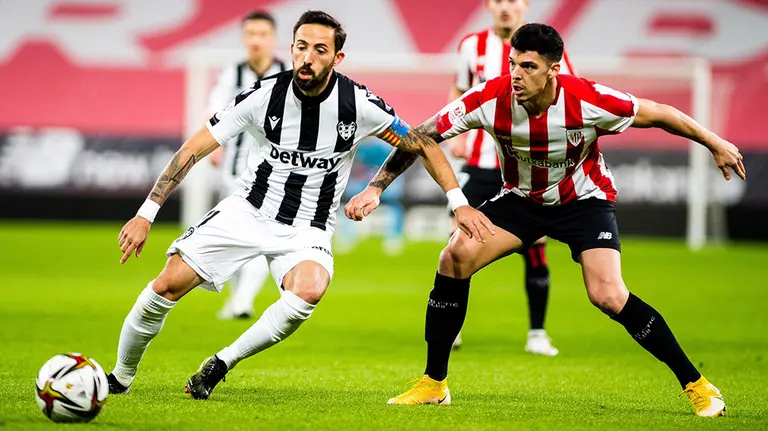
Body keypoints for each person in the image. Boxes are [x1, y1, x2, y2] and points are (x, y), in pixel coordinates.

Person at [346, 24, 744, 417]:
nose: (516, 75)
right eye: (513, 64)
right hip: (522, 200)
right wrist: (376, 188)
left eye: (529, 67)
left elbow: (659, 113)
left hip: (584, 202)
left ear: (554, 70)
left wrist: (715, 142)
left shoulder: (588, 99)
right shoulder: (489, 97)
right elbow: (421, 136)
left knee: (607, 295)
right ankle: (434, 384)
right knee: (453, 257)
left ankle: (696, 383)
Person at [107, 10, 493, 400]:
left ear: (337, 58)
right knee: (165, 286)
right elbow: (194, 148)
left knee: (309, 289)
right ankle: (119, 377)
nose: (307, 57)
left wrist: (451, 200)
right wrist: (145, 214)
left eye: (320, 50)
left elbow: (421, 144)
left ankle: (222, 362)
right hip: (248, 211)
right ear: (291, 49)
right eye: (301, 47)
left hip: (308, 227)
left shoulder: (357, 104)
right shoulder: (264, 94)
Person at [448, 0, 575, 354]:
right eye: (499, 0)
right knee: (456, 244)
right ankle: (452, 327)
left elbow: (568, 94)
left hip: (526, 167)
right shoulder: (471, 46)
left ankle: (537, 333)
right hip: (480, 162)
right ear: (489, 5)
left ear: (525, 5)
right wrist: (458, 136)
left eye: (513, 0)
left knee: (535, 247)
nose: (506, 8)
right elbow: (459, 91)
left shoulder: (547, 49)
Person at [206, 11, 287, 320]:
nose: (256, 40)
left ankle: (242, 300)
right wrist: (216, 146)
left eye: (262, 34)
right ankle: (237, 298)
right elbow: (214, 112)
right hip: (236, 171)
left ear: (273, 38)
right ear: (243, 38)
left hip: (275, 173)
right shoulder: (231, 75)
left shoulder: (289, 73)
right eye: (251, 34)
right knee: (237, 236)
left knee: (255, 236)